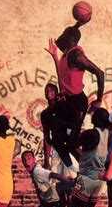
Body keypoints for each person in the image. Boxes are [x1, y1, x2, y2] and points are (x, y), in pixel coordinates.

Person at [44, 22, 104, 166]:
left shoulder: (76, 55)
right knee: (56, 139)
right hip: (67, 102)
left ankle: (90, 167)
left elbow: (100, 73)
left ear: (69, 38)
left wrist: (98, 100)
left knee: (71, 142)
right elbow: (62, 39)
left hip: (77, 102)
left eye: (64, 34)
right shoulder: (65, 55)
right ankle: (73, 170)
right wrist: (78, 23)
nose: (60, 38)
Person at [40, 82, 74, 207]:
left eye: (52, 89)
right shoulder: (45, 114)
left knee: (69, 187)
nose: (49, 92)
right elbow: (46, 136)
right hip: (55, 151)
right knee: (57, 189)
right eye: (47, 90)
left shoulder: (65, 109)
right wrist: (46, 159)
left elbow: (75, 126)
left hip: (67, 149)